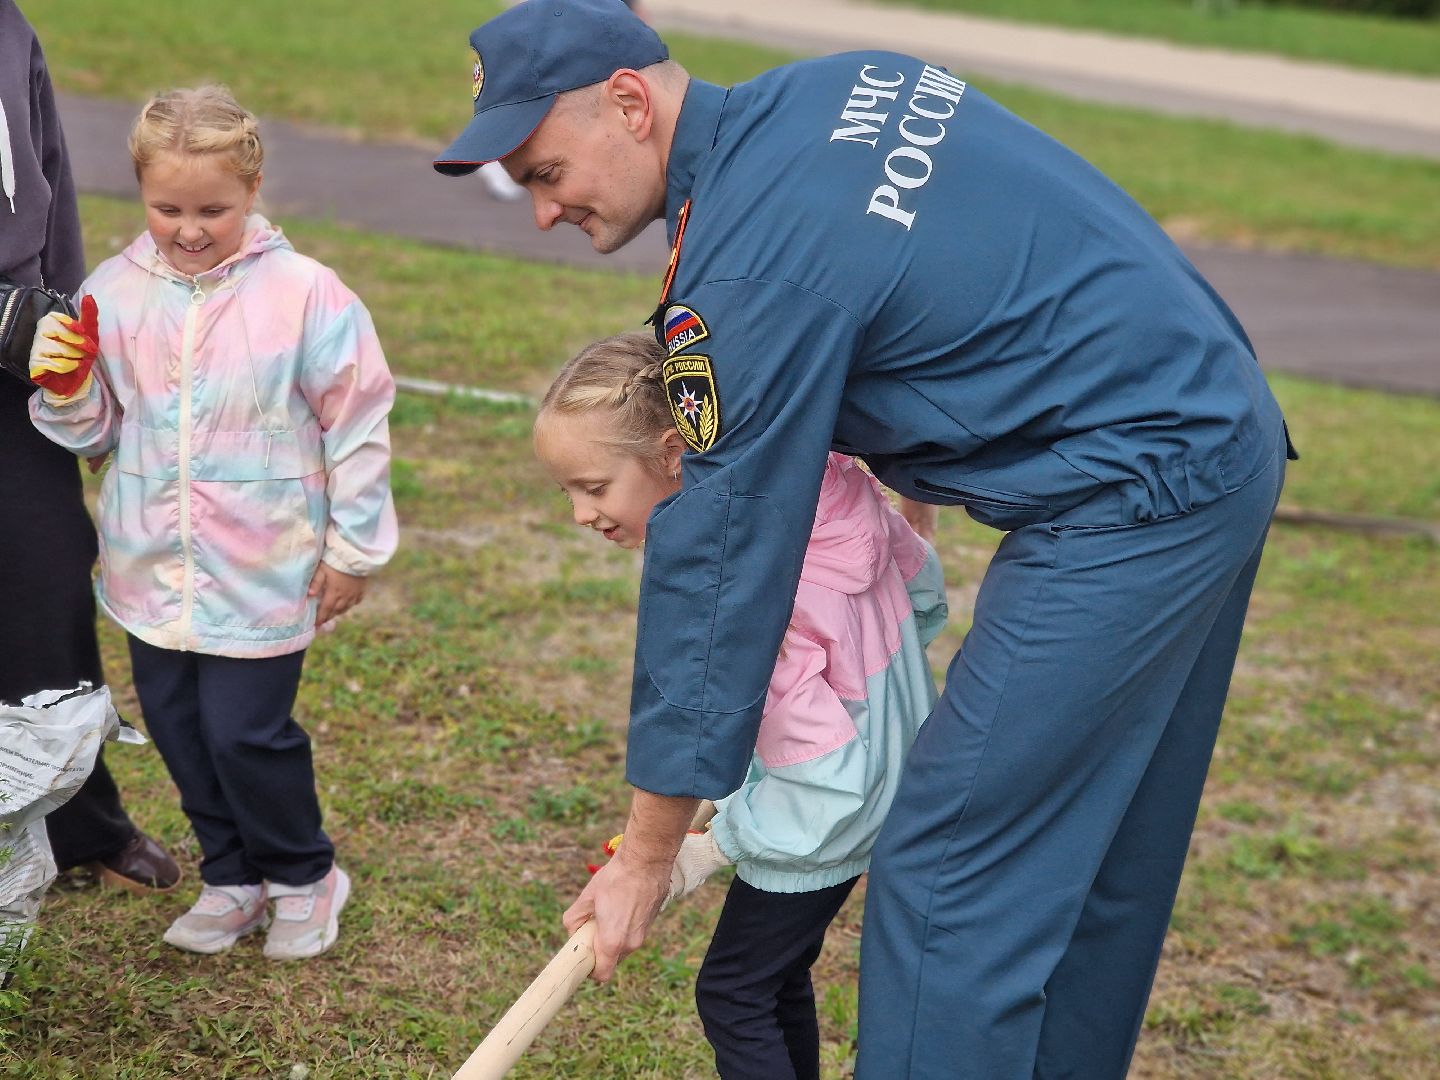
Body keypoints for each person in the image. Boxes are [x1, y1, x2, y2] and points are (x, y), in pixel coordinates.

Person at [434, 2, 1296, 1075]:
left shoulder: (743, 274)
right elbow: (938, 284)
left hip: (1134, 498)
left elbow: (720, 563)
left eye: (547, 171)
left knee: (949, 869)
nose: (542, 210)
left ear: (628, 102)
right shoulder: (835, 86)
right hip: (1218, 419)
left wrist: (648, 852)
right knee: (1094, 854)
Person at [29, 85, 398, 961]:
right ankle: (232, 877)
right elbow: (101, 434)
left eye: (213, 210)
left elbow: (358, 422)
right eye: (168, 208)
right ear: (140, 193)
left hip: (264, 566)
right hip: (151, 564)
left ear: (254, 187)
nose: (190, 228)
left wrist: (352, 550)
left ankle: (305, 875)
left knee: (246, 732)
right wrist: (70, 387)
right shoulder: (111, 293)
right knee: (178, 729)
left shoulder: (309, 296)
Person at [534, 331, 947, 1079]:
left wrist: (704, 852)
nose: (579, 514)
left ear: (672, 452)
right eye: (565, 492)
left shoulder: (755, 597)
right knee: (775, 976)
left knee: (734, 993)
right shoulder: (821, 492)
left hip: (833, 809)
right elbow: (920, 591)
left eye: (593, 488)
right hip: (890, 756)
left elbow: (822, 782)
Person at [0, 0, 180, 896]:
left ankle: (78, 815)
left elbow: (50, 186)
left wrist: (66, 330)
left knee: (49, 570)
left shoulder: (10, 26)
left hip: (20, 363)